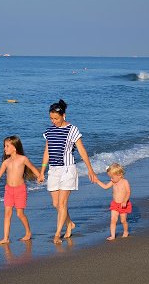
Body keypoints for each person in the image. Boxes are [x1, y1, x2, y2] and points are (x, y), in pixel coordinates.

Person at [38, 99, 97, 244]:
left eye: (56, 118)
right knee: (56, 204)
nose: (54, 121)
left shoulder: (72, 130)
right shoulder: (49, 131)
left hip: (68, 170)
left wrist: (90, 169)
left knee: (62, 203)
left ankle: (57, 234)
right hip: (53, 170)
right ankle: (69, 223)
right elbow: (47, 151)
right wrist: (42, 171)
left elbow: (82, 150)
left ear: (63, 115)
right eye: (51, 118)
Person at [0, 135, 40, 245]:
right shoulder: (6, 162)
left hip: (20, 190)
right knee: (7, 214)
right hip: (9, 191)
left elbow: (33, 168)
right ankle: (6, 238)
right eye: (4, 146)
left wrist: (39, 177)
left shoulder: (23, 159)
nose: (4, 148)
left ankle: (28, 232)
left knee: (19, 214)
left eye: (7, 146)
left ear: (14, 147)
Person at [95, 163, 132, 241]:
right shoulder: (113, 182)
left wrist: (125, 201)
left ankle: (125, 231)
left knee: (123, 220)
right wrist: (97, 181)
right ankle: (112, 235)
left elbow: (128, 192)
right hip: (114, 204)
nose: (111, 179)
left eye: (112, 177)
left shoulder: (125, 182)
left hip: (123, 204)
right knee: (113, 220)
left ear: (119, 175)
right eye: (110, 177)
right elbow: (105, 187)